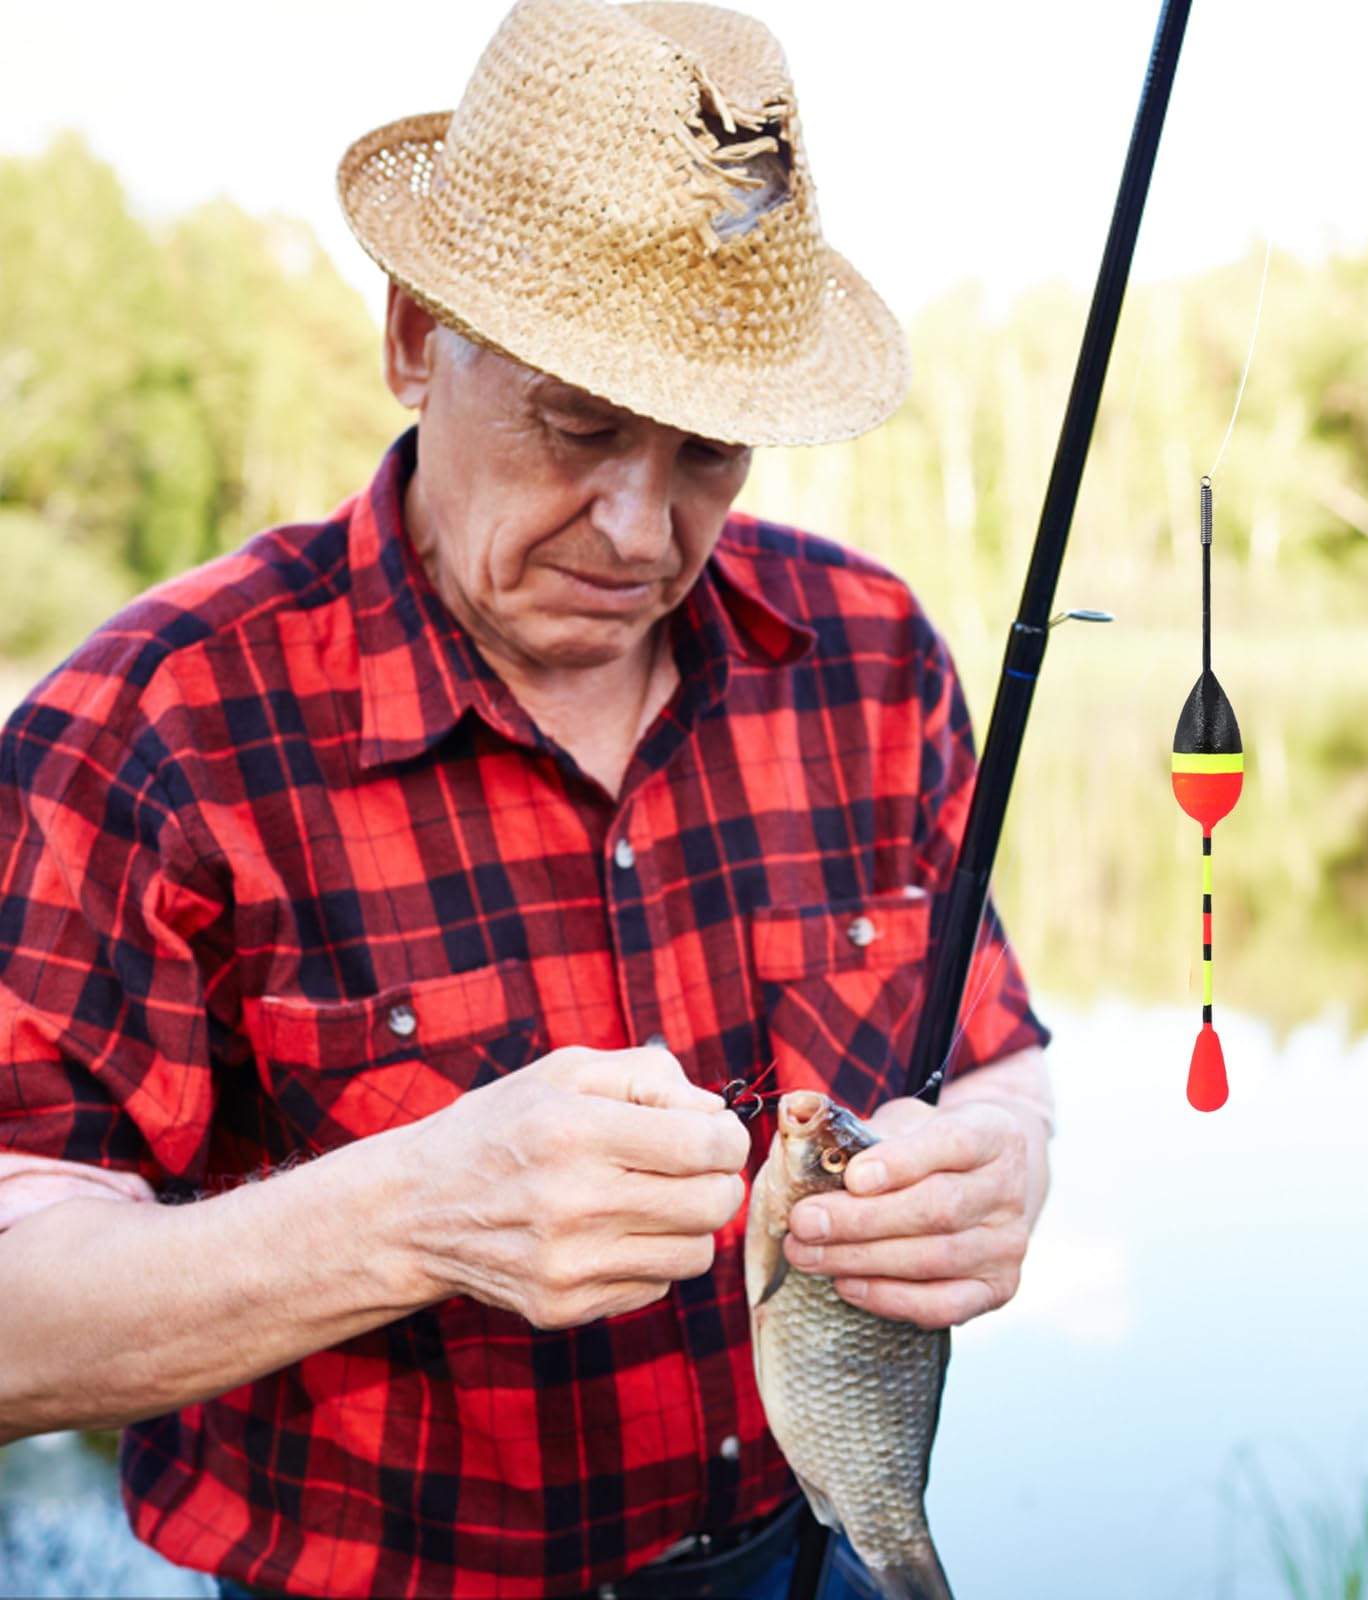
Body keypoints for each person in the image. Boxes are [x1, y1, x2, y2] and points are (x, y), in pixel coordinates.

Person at [0, 2, 1054, 1596]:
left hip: (802, 1550)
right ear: (417, 336)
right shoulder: (153, 723)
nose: (638, 525)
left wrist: (1001, 1161)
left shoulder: (871, 650)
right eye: (580, 426)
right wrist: (411, 1217)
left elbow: (993, 1058)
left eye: (710, 451)